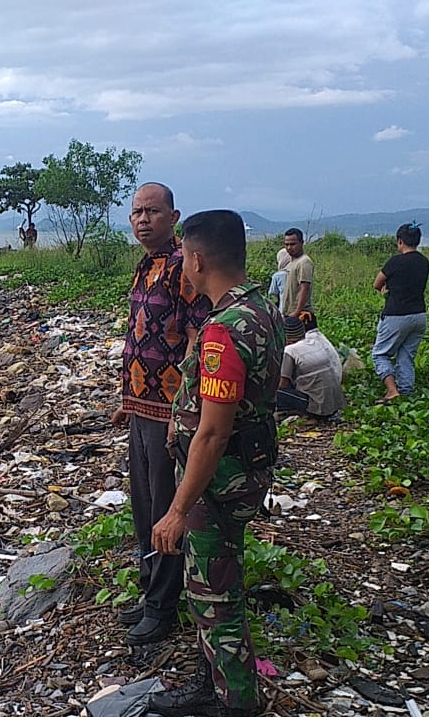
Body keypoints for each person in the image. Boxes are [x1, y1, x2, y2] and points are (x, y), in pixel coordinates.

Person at [148, 209, 284, 717]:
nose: (182, 263)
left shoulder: (225, 330)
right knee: (214, 581)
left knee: (216, 596)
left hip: (219, 481)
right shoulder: (261, 308)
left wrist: (178, 509)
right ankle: (212, 683)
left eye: (184, 255)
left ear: (197, 258)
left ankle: (235, 704)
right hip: (243, 468)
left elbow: (212, 430)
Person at [109, 182, 211, 646]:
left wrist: (181, 407)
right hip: (139, 409)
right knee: (143, 508)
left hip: (168, 413)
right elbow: (141, 338)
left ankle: (163, 608)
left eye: (152, 211)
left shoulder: (180, 268)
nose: (142, 219)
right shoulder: (144, 266)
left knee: (167, 509)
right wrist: (125, 400)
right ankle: (152, 591)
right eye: (136, 212)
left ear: (174, 216)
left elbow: (195, 340)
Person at [372, 222, 429, 403]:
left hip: (396, 315)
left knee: (380, 354)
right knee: (406, 355)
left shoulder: (395, 262)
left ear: (400, 241)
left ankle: (391, 391)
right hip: (419, 315)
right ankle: (406, 392)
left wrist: (387, 287)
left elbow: (376, 284)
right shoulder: (423, 261)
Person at [277, 315, 346, 420]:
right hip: (335, 404)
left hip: (317, 407)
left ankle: (302, 413)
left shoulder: (290, 350)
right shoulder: (316, 342)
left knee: (275, 392)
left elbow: (283, 384)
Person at [280, 227, 314, 319]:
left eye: (293, 244)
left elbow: (304, 288)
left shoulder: (304, 262)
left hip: (301, 315)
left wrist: (296, 312)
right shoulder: (292, 262)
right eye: (286, 245)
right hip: (290, 313)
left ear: (301, 243)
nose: (289, 248)